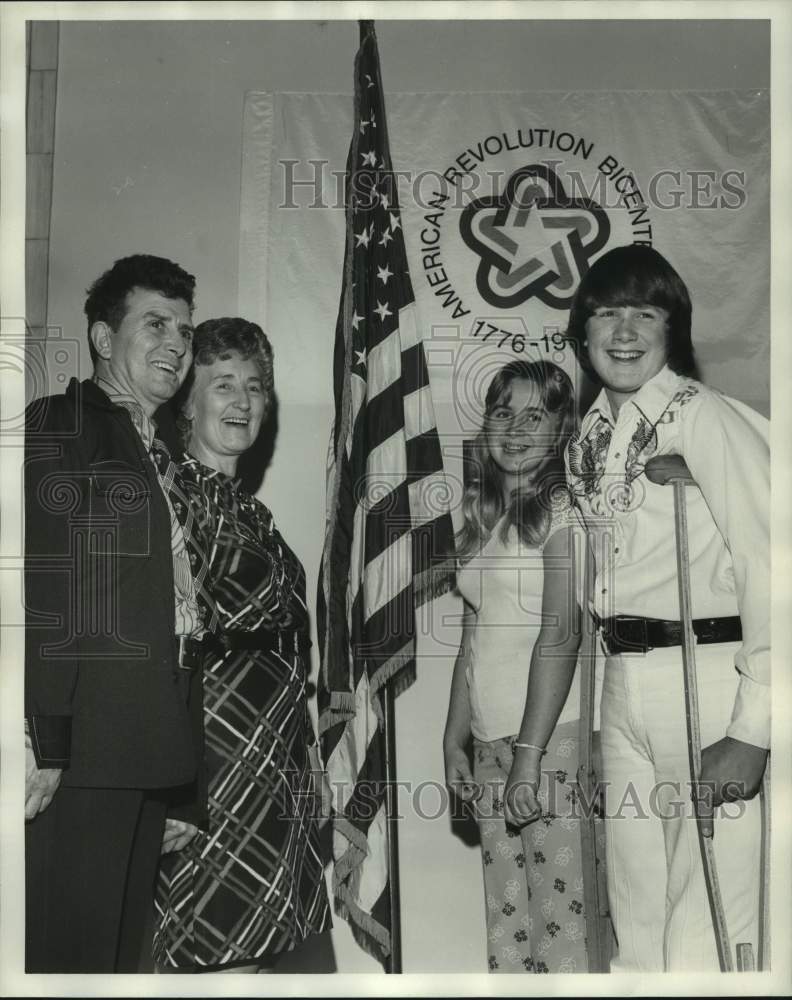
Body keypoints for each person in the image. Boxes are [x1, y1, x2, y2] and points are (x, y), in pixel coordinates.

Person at [564, 243, 769, 972]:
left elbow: (773, 567)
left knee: (710, 913)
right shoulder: (588, 437)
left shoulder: (707, 417)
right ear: (581, 333)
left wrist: (753, 730)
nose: (624, 331)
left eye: (644, 313)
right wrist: (600, 718)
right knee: (638, 916)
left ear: (671, 329)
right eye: (606, 314)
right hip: (626, 683)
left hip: (707, 674)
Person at [24, 254, 215, 972]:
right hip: (81, 756)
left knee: (113, 967)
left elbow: (178, 617)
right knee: (64, 961)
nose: (176, 344)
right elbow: (45, 590)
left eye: (187, 333)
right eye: (156, 324)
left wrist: (181, 785)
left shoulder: (155, 452)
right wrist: (48, 744)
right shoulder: (61, 424)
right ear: (104, 339)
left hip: (145, 754)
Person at [153, 317, 331, 973]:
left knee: (251, 964)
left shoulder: (249, 509)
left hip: (272, 771)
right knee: (207, 960)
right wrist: (170, 793)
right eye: (222, 383)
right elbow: (158, 654)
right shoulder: (174, 498)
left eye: (255, 386)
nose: (242, 400)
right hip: (210, 769)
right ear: (187, 402)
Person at [443, 359, 591, 974]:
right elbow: (472, 639)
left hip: (547, 741)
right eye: (504, 412)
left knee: (563, 935)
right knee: (510, 935)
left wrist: (529, 754)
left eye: (536, 415)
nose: (517, 427)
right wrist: (455, 737)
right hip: (491, 743)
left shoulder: (563, 513)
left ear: (562, 430)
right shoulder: (487, 521)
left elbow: (563, 632)